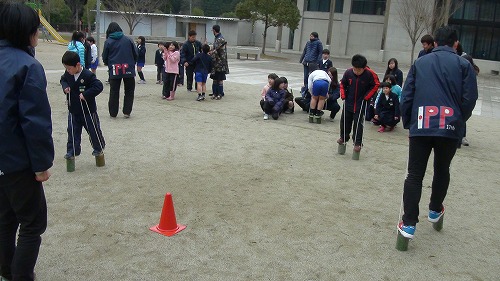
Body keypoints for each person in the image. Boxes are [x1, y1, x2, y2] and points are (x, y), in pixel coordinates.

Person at [397, 26, 478, 240]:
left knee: (415, 174)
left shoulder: (420, 62)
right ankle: (434, 209)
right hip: (450, 125)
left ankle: (409, 223)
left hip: (422, 123)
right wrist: (459, 120)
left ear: (435, 42)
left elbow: (407, 96)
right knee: (442, 169)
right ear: (456, 43)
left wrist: (409, 123)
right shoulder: (464, 65)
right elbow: (470, 99)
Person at [0, 3, 54, 280]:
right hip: (17, 162)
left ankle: (6, 271)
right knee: (32, 224)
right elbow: (34, 123)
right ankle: (21, 275)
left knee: (5, 219)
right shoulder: (28, 66)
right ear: (27, 32)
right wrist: (41, 164)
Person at [60, 51, 106, 159]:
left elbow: (98, 86)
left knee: (93, 130)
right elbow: (63, 79)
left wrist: (86, 94)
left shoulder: (87, 75)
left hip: (88, 111)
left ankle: (98, 148)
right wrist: (65, 87)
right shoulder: (68, 74)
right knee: (72, 131)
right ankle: (72, 150)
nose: (68, 70)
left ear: (78, 65)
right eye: (66, 68)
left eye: (69, 68)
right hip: (73, 110)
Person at [337, 54, 380, 152]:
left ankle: (357, 142)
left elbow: (376, 85)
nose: (356, 71)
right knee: (344, 121)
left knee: (358, 123)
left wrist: (367, 97)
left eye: (359, 70)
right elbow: (343, 84)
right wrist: (343, 96)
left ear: (364, 68)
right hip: (348, 101)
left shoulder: (370, 74)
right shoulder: (348, 73)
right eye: (355, 69)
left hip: (361, 103)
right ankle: (343, 137)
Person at [102, 22, 138, 118]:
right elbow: (135, 53)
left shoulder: (108, 41)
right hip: (128, 68)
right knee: (129, 90)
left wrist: (107, 63)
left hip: (115, 69)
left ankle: (113, 112)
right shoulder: (128, 40)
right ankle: (127, 111)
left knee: (114, 91)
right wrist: (132, 62)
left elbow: (105, 56)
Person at [459, 54, 480, 148]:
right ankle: (461, 137)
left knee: (461, 117)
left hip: (464, 98)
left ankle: (462, 137)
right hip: (462, 98)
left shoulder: (470, 72)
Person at [210, 25, 229, 100]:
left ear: (214, 30)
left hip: (219, 62)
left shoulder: (219, 39)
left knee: (219, 79)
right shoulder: (219, 38)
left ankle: (219, 94)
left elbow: (217, 52)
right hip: (219, 62)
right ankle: (215, 93)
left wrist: (211, 54)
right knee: (215, 79)